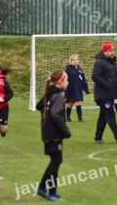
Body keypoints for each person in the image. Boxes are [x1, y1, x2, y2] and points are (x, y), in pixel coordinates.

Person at [36, 70, 71, 201]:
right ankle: (51, 192)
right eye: (66, 80)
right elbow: (56, 114)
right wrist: (66, 131)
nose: (68, 82)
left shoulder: (49, 93)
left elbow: (39, 105)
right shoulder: (59, 95)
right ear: (59, 82)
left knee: (56, 160)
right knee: (56, 161)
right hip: (54, 134)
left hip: (47, 132)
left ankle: (41, 188)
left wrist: (46, 119)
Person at [92, 41, 117, 144]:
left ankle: (97, 138)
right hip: (103, 95)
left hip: (110, 94)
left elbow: (112, 76)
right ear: (104, 52)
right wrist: (107, 85)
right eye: (110, 51)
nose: (112, 52)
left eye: (113, 50)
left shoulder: (111, 61)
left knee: (103, 117)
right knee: (110, 115)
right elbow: (95, 76)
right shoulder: (99, 62)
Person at [65, 55, 89, 122]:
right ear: (71, 61)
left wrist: (86, 89)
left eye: (76, 60)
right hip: (70, 89)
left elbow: (83, 80)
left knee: (78, 102)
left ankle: (80, 118)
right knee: (70, 104)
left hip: (78, 89)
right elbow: (65, 79)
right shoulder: (68, 69)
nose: (75, 61)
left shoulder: (80, 69)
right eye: (74, 60)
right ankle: (67, 117)